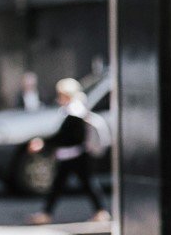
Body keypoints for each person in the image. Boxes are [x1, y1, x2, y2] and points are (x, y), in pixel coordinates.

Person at [26, 77, 111, 224]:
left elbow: (68, 136)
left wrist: (44, 143)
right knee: (78, 184)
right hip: (71, 154)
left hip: (75, 154)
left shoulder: (75, 111)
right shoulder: (74, 109)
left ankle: (100, 211)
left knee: (79, 184)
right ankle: (99, 211)